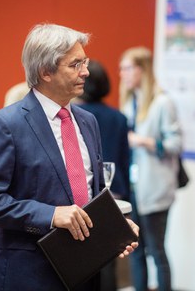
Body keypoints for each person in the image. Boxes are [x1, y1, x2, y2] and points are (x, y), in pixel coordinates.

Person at [0, 23, 138, 291]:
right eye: (75, 64)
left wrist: (114, 228)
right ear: (45, 71)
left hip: (86, 268)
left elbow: (90, 194)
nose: (86, 72)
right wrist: (50, 214)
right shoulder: (6, 124)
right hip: (30, 273)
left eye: (86, 62)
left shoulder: (88, 121)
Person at [119, 46, 182, 291]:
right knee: (135, 250)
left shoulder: (162, 103)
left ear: (141, 70)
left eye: (127, 68)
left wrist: (142, 141)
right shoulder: (129, 102)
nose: (122, 73)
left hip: (155, 188)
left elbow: (175, 144)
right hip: (133, 188)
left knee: (156, 250)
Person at [76, 59, 131, 291]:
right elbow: (125, 160)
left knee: (82, 257)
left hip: (85, 192)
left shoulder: (76, 115)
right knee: (108, 256)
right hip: (114, 189)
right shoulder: (119, 117)